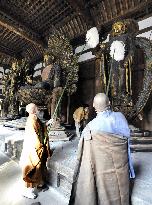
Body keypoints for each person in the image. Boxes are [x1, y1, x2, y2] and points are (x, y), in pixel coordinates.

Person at [69, 93, 135, 205]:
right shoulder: (121, 117)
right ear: (109, 103)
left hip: (102, 170)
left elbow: (85, 157)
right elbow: (127, 139)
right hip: (122, 169)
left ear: (93, 106)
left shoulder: (90, 128)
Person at [20, 103, 53, 199]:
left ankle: (39, 183)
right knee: (33, 169)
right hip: (33, 149)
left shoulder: (35, 118)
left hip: (36, 148)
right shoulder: (31, 122)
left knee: (40, 167)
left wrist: (47, 123)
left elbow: (41, 128)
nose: (38, 109)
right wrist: (41, 145)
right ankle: (28, 191)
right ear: (33, 110)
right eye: (37, 108)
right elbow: (34, 137)